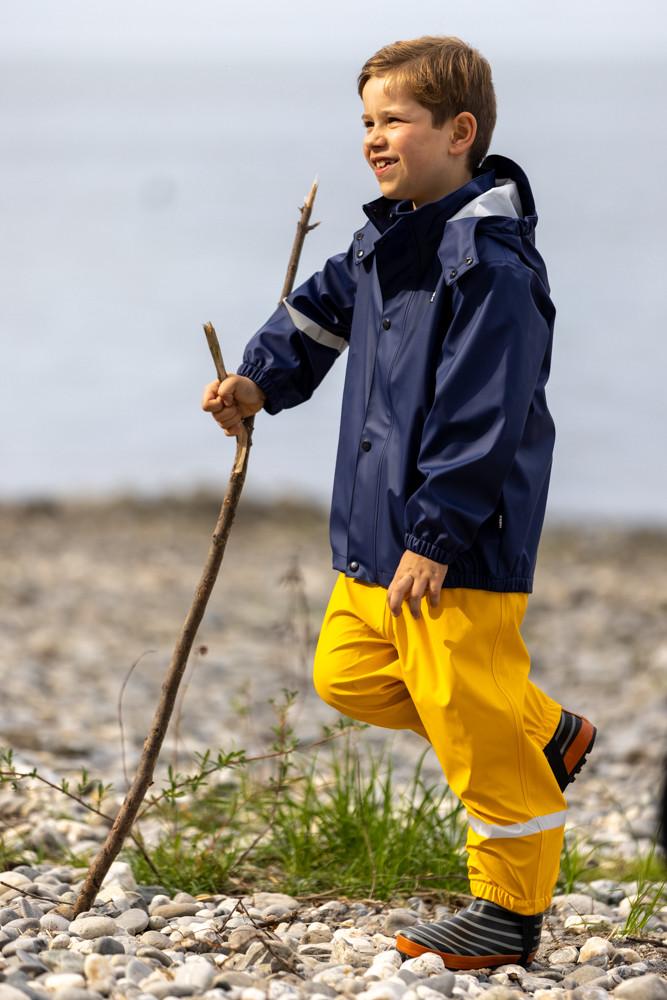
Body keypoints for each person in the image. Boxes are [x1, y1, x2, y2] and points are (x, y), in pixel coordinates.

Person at [202, 35, 597, 970]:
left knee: (468, 721)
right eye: (366, 123)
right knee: (346, 674)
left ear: (459, 133)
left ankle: (509, 909)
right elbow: (315, 316)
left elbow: (480, 416)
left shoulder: (487, 260)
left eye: (395, 123)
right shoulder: (386, 234)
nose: (375, 140)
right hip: (375, 536)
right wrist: (256, 381)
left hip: (451, 544)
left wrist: (437, 533)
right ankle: (542, 728)